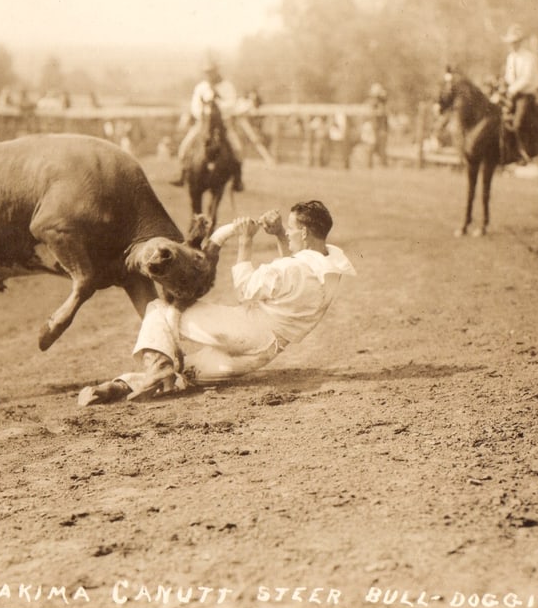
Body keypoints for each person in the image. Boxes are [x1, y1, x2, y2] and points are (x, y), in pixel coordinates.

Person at [78, 201, 356, 405]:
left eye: (293, 230)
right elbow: (294, 270)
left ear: (305, 233)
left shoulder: (291, 270)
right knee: (184, 374)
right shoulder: (332, 265)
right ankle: (118, 387)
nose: (290, 234)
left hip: (246, 330)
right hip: (265, 351)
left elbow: (246, 290)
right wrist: (281, 234)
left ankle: (155, 367)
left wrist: (245, 242)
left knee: (158, 309)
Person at [172, 61, 246, 190]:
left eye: (212, 71)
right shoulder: (201, 87)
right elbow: (195, 105)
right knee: (185, 146)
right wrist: (203, 112)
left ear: (217, 71)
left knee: (237, 148)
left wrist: (216, 105)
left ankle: (237, 179)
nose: (209, 75)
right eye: (207, 72)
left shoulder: (227, 86)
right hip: (204, 123)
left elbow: (232, 103)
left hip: (223, 123)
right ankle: (182, 174)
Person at [502, 23, 538, 164]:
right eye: (511, 43)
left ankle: (523, 152)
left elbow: (526, 78)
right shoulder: (510, 58)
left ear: (520, 42)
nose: (513, 45)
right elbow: (509, 76)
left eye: (515, 42)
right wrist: (506, 87)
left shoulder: (528, 58)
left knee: (518, 122)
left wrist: (512, 90)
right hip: (513, 93)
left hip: (526, 94)